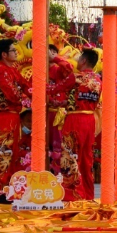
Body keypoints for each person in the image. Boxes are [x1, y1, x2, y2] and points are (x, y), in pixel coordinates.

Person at [0, 39, 31, 204]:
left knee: (12, 153)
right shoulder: (1, 70)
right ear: (4, 54)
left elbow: (26, 85)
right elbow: (12, 94)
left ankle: (8, 191)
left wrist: (41, 91)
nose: (16, 52)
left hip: (12, 116)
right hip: (4, 116)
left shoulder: (12, 71)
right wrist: (27, 97)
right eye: (13, 50)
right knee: (2, 152)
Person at [60, 48, 101, 201]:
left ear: (83, 61)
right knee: (86, 158)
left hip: (75, 120)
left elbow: (54, 88)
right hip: (90, 120)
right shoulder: (98, 80)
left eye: (79, 58)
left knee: (70, 155)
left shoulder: (76, 77)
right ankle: (88, 195)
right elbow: (81, 99)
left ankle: (73, 196)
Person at [47, 44, 74, 175]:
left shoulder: (59, 71)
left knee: (59, 145)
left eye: (51, 52)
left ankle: (59, 174)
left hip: (58, 114)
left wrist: (55, 58)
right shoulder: (37, 71)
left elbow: (69, 69)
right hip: (43, 114)